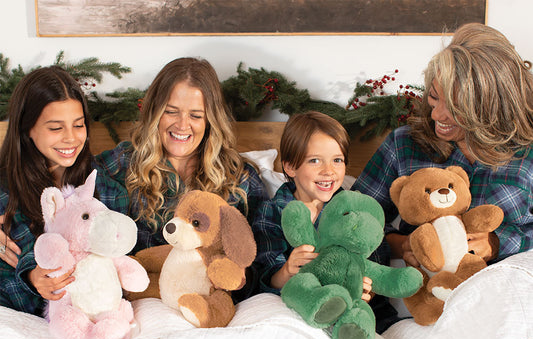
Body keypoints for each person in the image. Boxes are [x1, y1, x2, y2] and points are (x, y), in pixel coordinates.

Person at [352, 23, 533, 269]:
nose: (436, 114)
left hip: (504, 287)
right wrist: (405, 245)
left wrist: (497, 242)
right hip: (423, 288)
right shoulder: (404, 145)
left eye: (456, 109)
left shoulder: (526, 152)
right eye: (434, 98)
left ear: (491, 107)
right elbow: (352, 219)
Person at [92, 57, 267, 254]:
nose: (182, 125)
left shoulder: (240, 178)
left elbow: (264, 252)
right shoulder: (124, 162)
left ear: (210, 120)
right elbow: (74, 186)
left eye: (195, 115)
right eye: (171, 112)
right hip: (139, 272)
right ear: (155, 113)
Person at [0, 66, 128, 315]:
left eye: (78, 125)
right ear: (27, 129)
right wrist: (33, 277)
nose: (71, 138)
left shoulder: (105, 184)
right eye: (56, 128)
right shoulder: (6, 193)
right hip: (29, 314)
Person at [252, 111, 373, 303]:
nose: (328, 171)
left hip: (346, 304)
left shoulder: (354, 211)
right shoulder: (272, 212)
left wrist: (365, 290)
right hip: (294, 304)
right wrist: (287, 270)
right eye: (315, 160)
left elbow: (374, 265)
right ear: (291, 167)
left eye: (337, 160)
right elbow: (263, 280)